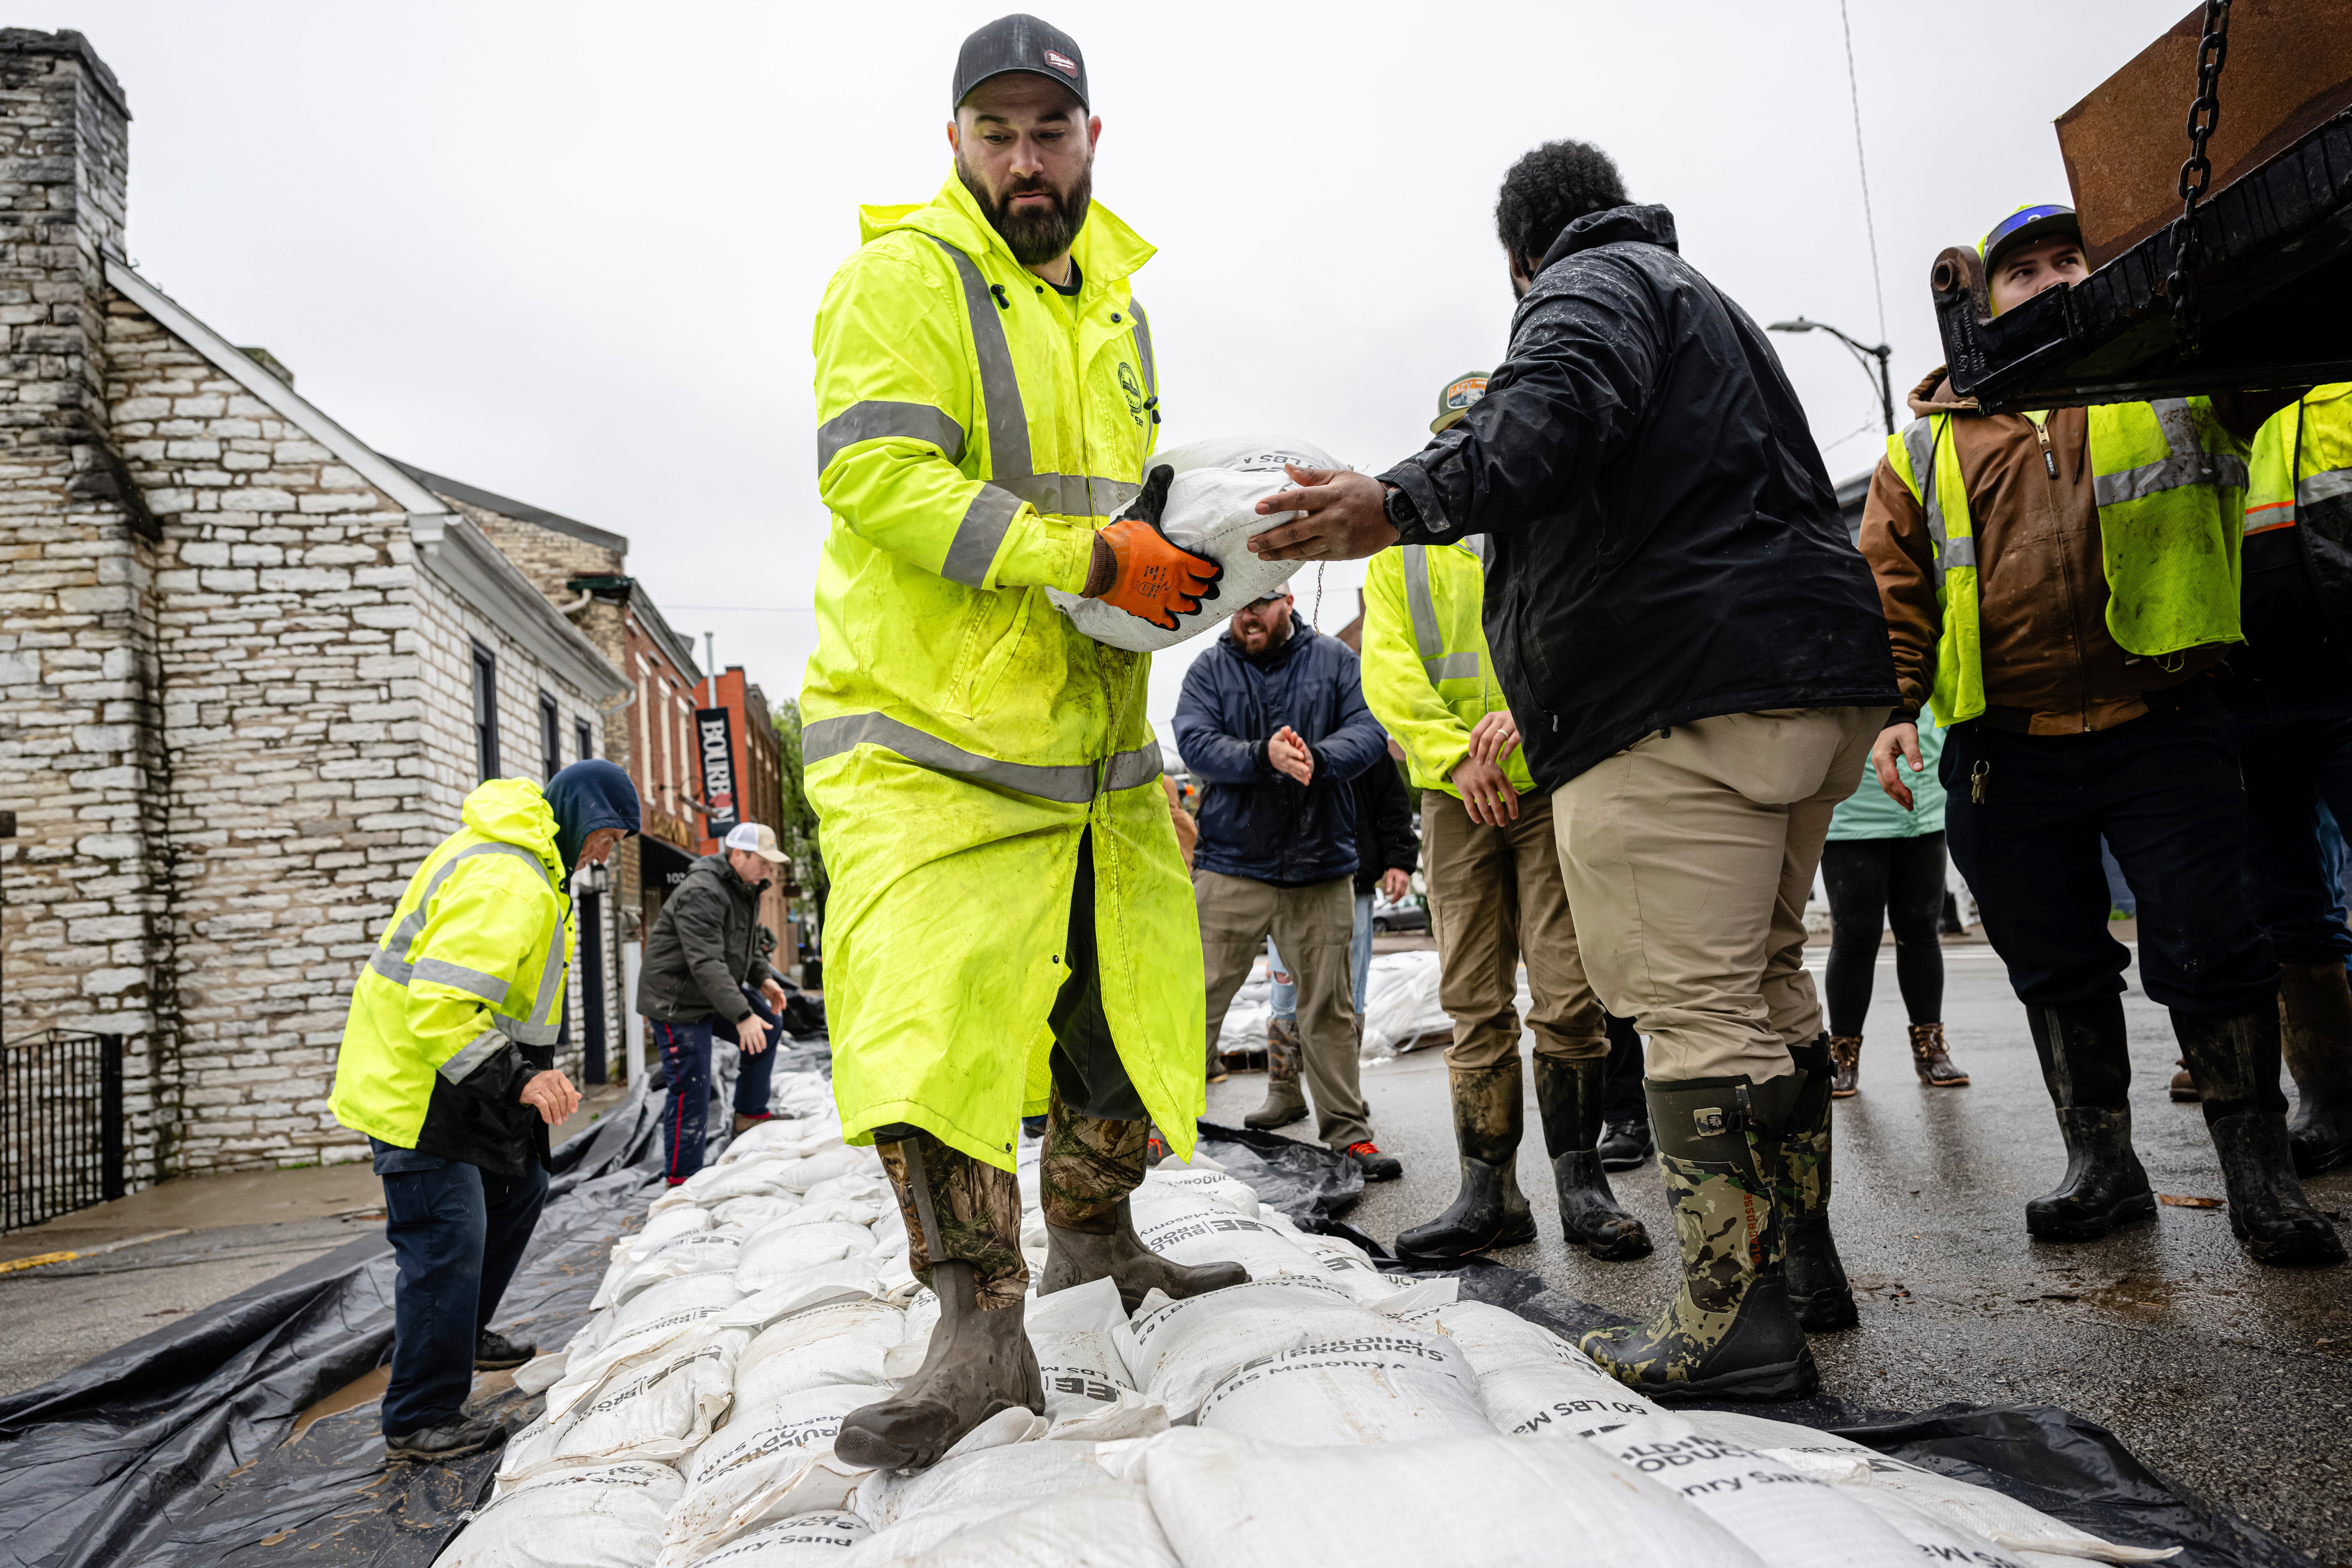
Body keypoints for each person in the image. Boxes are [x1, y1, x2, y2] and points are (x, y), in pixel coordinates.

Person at [1243, 140, 1901, 1401]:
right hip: (1809, 671)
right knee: (1766, 977)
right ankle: (1800, 1263)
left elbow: (1550, 410)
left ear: (1519, 259)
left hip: (1680, 700)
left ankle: (1734, 1314)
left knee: (1698, 1002)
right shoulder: (1704, 304)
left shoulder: (1588, 290)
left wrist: (1394, 498)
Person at [800, 13, 1244, 1471]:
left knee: (1129, 1024)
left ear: (1089, 141)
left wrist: (1203, 564)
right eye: (995, 132)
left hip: (1092, 749)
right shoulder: (901, 280)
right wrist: (1087, 556)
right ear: (955, 145)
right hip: (929, 747)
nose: (1024, 157)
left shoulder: (1118, 309)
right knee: (937, 1037)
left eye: (1047, 131)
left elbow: (1134, 513)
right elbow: (873, 473)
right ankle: (978, 1329)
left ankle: (1094, 1243)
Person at [1858, 203, 2339, 1268]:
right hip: (2006, 745)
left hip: (2161, 721)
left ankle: (2256, 1180)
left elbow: (2277, 343)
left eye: (2067, 260)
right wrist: (1895, 710)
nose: (2049, 279)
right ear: (1981, 307)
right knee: (2053, 961)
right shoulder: (1920, 444)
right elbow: (1891, 588)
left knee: (2215, 946)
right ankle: (2102, 1164)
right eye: (2019, 271)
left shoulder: (2171, 378)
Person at [1362, 368, 1649, 1263]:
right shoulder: (1398, 556)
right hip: (1458, 803)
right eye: (1452, 434)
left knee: (1568, 997)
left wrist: (1519, 738)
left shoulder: (1563, 530)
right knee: (1472, 1000)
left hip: (1550, 785)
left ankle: (1581, 1185)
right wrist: (1456, 759)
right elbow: (1390, 675)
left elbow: (1601, 650)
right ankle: (1489, 1193)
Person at [330, 760, 639, 1461]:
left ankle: (461, 1332)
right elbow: (437, 1005)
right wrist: (520, 1081)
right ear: (581, 818)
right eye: (607, 838)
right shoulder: (510, 880)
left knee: (519, 1187)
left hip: (455, 1083)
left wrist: (525, 1074)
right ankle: (419, 1415)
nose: (605, 855)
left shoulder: (530, 868)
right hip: (416, 1087)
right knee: (447, 1239)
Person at [1175, 582, 1402, 1179]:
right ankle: (1160, 1128)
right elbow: (1195, 741)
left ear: (1288, 601)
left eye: (1261, 603)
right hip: (1231, 866)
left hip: (1320, 867)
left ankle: (1350, 1136)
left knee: (1329, 1009)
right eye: (1241, 605)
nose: (1249, 615)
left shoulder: (1334, 660)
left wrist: (1319, 760)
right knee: (1196, 999)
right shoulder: (1207, 669)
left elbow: (1370, 728)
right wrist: (1261, 755)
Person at [2220, 384, 2352, 1175]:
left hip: (2344, 682)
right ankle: (2332, 1099)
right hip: (2236, 693)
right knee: (2284, 912)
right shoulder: (2197, 400)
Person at [1248, 751, 1414, 1123]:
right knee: (1285, 991)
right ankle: (1284, 1091)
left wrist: (1400, 860)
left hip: (1351, 883)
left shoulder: (1360, 740)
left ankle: (1345, 1094)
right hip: (1284, 882)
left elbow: (1392, 802)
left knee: (1346, 992)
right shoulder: (1274, 738)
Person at [1819, 708, 1965, 1096]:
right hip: (1852, 806)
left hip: (1924, 796)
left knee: (1921, 931)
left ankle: (1931, 1051)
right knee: (1854, 937)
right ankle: (1843, 1056)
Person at [637, 821, 793, 1181]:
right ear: (738, 854)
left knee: (768, 1028)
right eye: (763, 861)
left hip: (707, 993)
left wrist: (764, 980)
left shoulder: (745, 888)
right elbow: (705, 960)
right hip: (676, 1001)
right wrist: (741, 1014)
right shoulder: (703, 890)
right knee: (692, 1085)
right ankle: (681, 1178)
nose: (769, 868)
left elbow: (745, 947)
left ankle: (750, 1117)